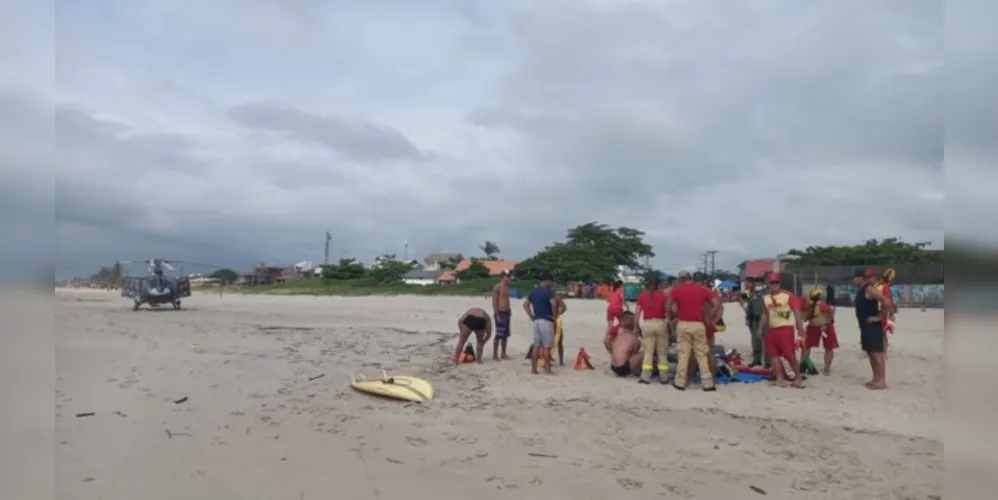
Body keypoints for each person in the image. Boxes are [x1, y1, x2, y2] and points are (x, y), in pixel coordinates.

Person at [667, 271, 720, 391]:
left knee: (683, 354)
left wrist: (672, 316)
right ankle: (708, 384)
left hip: (683, 324)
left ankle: (680, 382)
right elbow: (716, 304)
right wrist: (709, 317)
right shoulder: (703, 290)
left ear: (680, 280)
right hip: (699, 325)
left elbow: (668, 305)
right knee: (702, 354)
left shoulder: (677, 290)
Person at [758, 272, 806, 388]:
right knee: (773, 355)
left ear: (780, 283)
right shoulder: (766, 298)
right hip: (772, 329)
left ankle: (798, 377)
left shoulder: (788, 295)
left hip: (786, 329)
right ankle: (780, 378)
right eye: (772, 282)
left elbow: (797, 313)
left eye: (776, 282)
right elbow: (765, 314)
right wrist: (760, 328)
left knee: (789, 355)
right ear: (768, 284)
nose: (774, 284)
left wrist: (801, 330)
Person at [854, 268, 892, 389]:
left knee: (877, 353)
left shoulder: (869, 289)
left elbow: (886, 300)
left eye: (854, 278)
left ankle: (882, 380)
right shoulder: (861, 290)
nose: (853, 281)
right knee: (870, 353)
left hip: (872, 326)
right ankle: (876, 378)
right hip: (865, 325)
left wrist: (879, 317)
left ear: (860, 278)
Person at [634, 274, 670, 383]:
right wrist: (670, 327)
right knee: (662, 353)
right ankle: (664, 377)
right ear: (660, 285)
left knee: (648, 352)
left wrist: (636, 326)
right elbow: (668, 313)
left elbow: (637, 313)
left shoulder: (643, 296)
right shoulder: (664, 296)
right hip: (660, 324)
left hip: (647, 324)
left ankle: (645, 377)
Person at [523, 275, 558, 375]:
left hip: (536, 321)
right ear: (547, 281)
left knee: (536, 346)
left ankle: (534, 369)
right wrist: (554, 317)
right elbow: (554, 304)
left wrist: (531, 316)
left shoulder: (533, 292)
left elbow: (526, 304)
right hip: (546, 320)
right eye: (551, 282)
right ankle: (548, 369)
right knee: (547, 347)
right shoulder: (548, 291)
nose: (551, 284)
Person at [802, 287, 838, 375]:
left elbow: (831, 314)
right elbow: (805, 317)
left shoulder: (819, 305)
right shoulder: (811, 306)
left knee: (827, 347)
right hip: (817, 327)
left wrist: (826, 323)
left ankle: (826, 367)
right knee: (808, 346)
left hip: (824, 327)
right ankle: (825, 368)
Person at [739, 277, 768, 367]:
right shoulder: (752, 295)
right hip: (755, 319)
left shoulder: (768, 294)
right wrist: (748, 318)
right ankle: (757, 359)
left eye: (759, 284)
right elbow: (749, 308)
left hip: (766, 320)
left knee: (767, 340)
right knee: (756, 339)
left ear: (763, 285)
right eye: (756, 285)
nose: (758, 286)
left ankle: (768, 361)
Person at [609, 311, 644, 377]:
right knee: (645, 352)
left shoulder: (620, 331)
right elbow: (633, 354)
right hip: (622, 368)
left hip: (613, 366)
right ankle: (633, 372)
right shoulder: (634, 339)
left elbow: (607, 341)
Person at [492, 270, 512, 361]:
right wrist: (497, 315)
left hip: (506, 312)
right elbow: (494, 301)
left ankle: (503, 353)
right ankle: (495, 354)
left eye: (509, 276)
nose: (508, 278)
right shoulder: (498, 287)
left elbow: (507, 299)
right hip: (500, 312)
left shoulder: (507, 286)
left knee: (505, 335)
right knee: (499, 334)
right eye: (507, 276)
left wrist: (509, 309)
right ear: (502, 276)